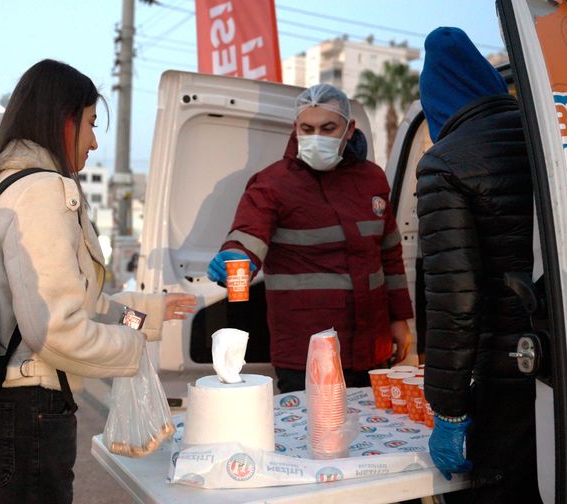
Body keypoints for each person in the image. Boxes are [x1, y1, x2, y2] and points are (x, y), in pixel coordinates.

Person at [0, 59, 197, 504]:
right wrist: (134, 349)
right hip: (24, 419)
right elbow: (56, 331)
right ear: (65, 121)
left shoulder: (2, 187)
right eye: (90, 123)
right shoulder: (42, 192)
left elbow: (80, 301)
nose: (94, 141)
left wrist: (147, 315)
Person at [207, 83, 414, 393]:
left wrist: (400, 319)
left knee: (369, 433)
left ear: (349, 129)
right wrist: (236, 256)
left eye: (328, 127)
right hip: (305, 351)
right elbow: (249, 233)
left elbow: (389, 256)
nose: (317, 136)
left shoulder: (372, 179)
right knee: (311, 437)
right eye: (308, 128)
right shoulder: (273, 184)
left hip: (372, 346)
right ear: (296, 128)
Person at [417, 27, 541, 502]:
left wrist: (448, 411)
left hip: (506, 375)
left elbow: (455, 302)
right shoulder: (546, 136)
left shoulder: (444, 163)